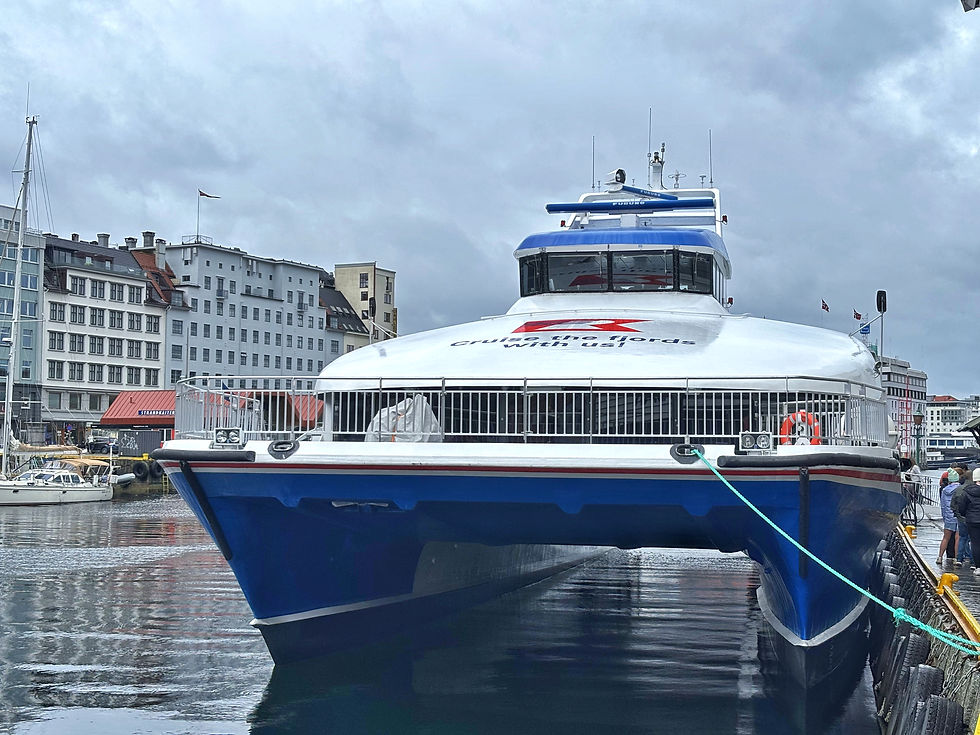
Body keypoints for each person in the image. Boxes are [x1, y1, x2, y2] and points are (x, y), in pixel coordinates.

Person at [951, 467, 980, 575]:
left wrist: (966, 515)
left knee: (975, 543)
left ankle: (977, 566)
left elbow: (961, 507)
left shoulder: (967, 491)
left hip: (972, 520)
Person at [952, 463, 974, 568]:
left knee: (962, 538)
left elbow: (953, 505)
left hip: (960, 518)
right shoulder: (975, 489)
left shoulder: (958, 489)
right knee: (974, 540)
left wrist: (958, 515)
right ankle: (974, 561)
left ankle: (959, 559)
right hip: (972, 518)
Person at [937, 469, 958, 565]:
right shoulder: (960, 489)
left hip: (948, 516)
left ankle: (940, 557)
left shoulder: (945, 490)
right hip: (958, 516)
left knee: (945, 537)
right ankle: (956, 559)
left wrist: (944, 516)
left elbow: (943, 505)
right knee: (958, 538)